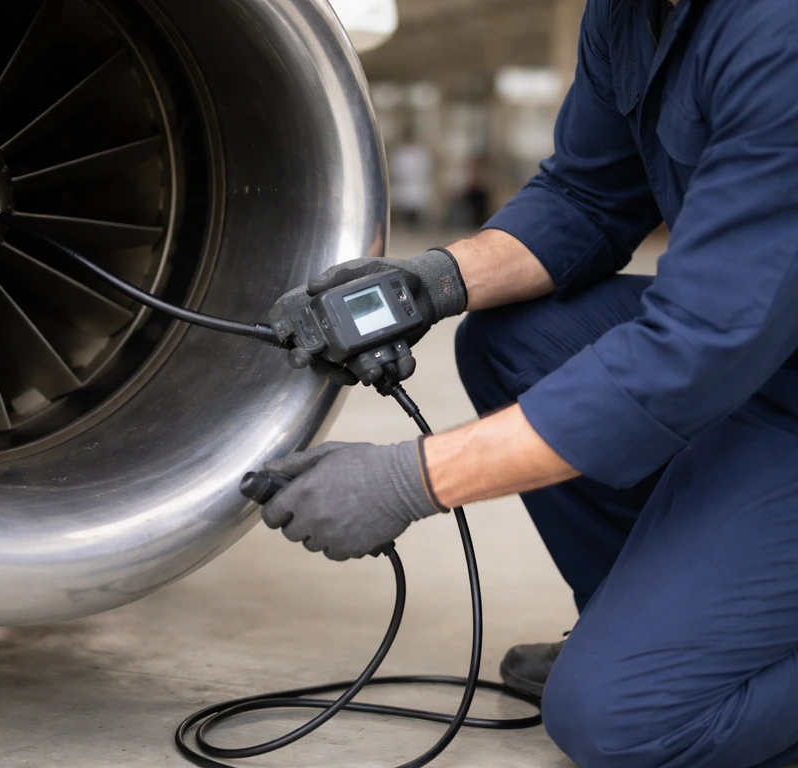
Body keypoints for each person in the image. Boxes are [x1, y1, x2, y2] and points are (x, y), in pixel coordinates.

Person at [257, 1, 798, 766]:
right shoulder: (629, 13)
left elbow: (698, 348)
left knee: (618, 722)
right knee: (518, 340)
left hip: (758, 365)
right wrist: (430, 283)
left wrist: (411, 479)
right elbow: (588, 196)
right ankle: (648, 625)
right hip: (769, 358)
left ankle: (673, 667)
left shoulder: (779, 33)